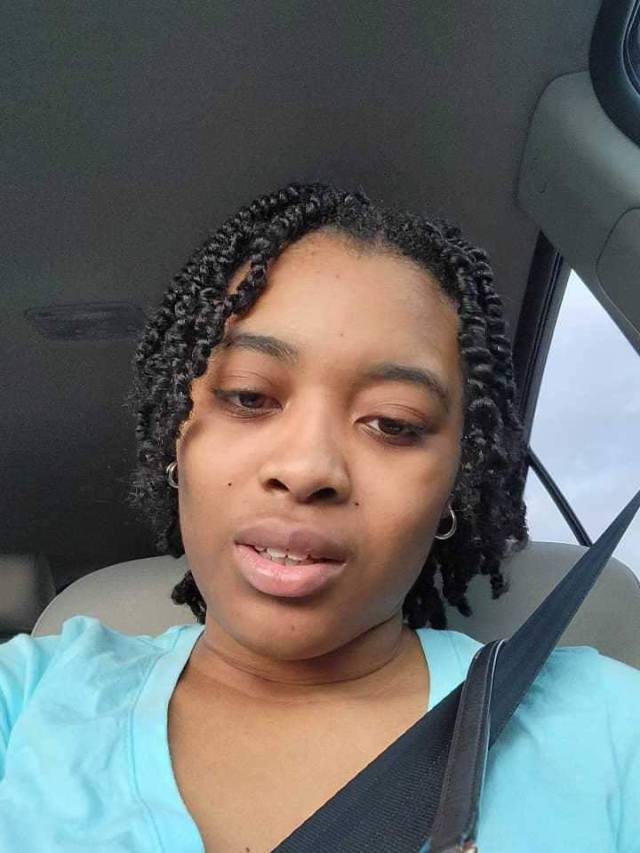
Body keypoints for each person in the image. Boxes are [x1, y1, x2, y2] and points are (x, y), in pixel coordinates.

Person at [0, 181, 638, 852]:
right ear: (173, 442)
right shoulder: (26, 699)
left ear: (455, 484)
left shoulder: (607, 732)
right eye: (248, 396)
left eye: (393, 422)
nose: (307, 468)